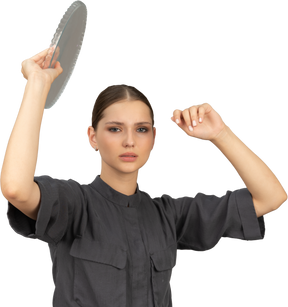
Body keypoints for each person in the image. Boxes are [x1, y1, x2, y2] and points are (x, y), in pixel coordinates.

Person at [1, 46, 287, 307]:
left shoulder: (171, 214)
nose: (129, 141)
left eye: (141, 129)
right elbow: (15, 188)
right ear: (92, 137)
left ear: (154, 138)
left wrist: (220, 134)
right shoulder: (74, 204)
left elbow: (272, 197)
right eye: (114, 129)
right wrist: (36, 85)